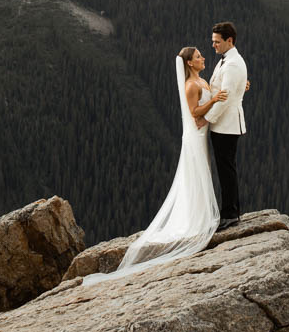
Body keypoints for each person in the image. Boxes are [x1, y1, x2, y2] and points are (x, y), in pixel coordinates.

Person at [81, 46, 228, 285]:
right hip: (196, 135)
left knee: (203, 173)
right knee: (196, 175)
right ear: (190, 63)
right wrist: (213, 100)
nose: (203, 59)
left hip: (202, 134)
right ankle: (196, 218)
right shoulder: (191, 86)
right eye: (199, 57)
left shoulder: (200, 80)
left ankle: (199, 215)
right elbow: (194, 112)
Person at [204, 21, 247, 230]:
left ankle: (230, 214)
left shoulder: (232, 63)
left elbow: (227, 97)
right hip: (224, 124)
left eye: (217, 42)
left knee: (226, 170)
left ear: (229, 40)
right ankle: (231, 211)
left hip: (226, 125)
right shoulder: (227, 61)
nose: (213, 45)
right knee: (226, 169)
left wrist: (208, 118)